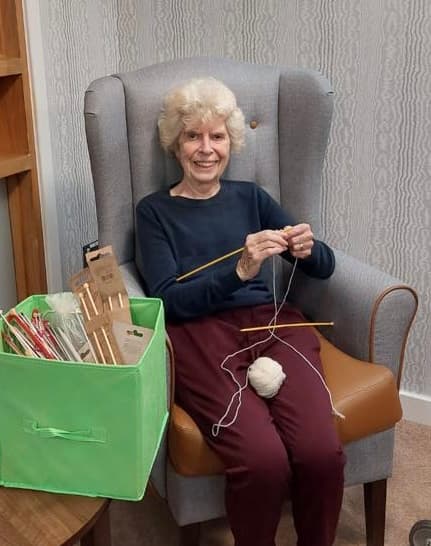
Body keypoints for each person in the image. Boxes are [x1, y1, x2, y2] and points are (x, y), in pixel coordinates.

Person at [136, 77, 346, 546]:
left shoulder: (250, 197)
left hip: (273, 326)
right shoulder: (154, 212)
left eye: (217, 136)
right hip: (199, 335)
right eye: (193, 135)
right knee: (262, 461)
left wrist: (307, 248)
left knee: (321, 452)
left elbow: (325, 267)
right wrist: (240, 269)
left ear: (231, 141)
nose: (206, 149)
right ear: (175, 144)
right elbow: (167, 299)